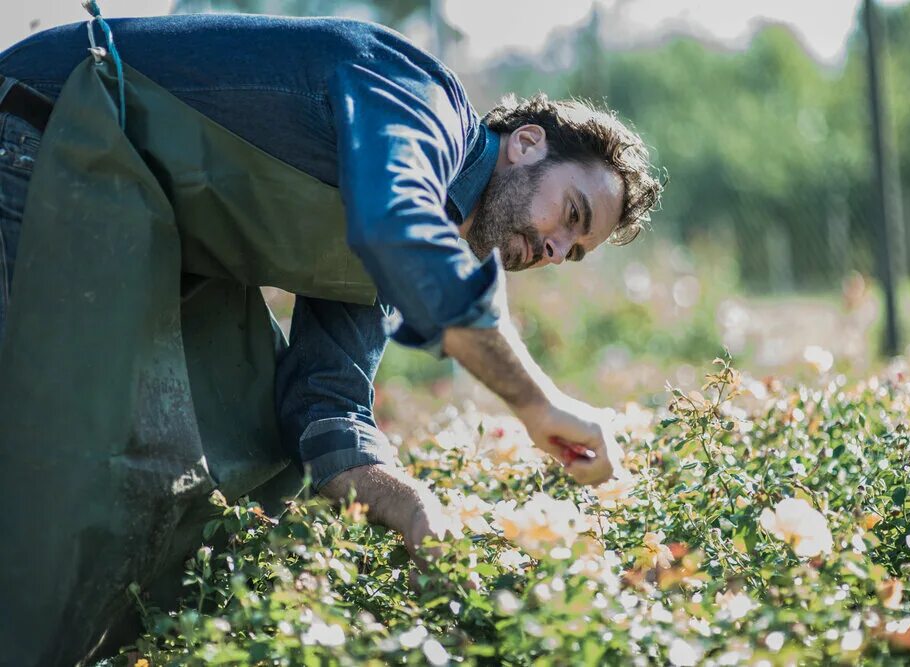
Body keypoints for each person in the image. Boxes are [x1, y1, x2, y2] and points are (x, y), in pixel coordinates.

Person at [0, 10, 660, 620]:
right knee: (56, 445)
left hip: (120, 213)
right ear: (526, 144)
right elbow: (396, 226)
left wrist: (414, 509)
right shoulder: (421, 101)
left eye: (572, 252)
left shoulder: (418, 246)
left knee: (216, 462)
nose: (554, 248)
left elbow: (328, 406)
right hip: (43, 136)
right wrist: (537, 401)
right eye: (570, 215)